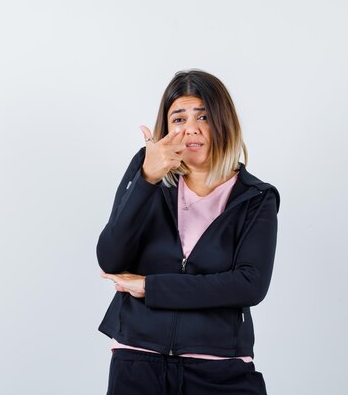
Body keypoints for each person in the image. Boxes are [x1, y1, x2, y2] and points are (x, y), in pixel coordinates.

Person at [97, 69, 280, 395]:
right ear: (166, 128)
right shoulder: (147, 179)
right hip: (138, 363)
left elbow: (249, 284)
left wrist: (151, 287)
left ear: (224, 122)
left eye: (203, 116)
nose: (190, 128)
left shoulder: (255, 198)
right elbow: (111, 258)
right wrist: (146, 180)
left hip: (219, 369)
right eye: (178, 118)